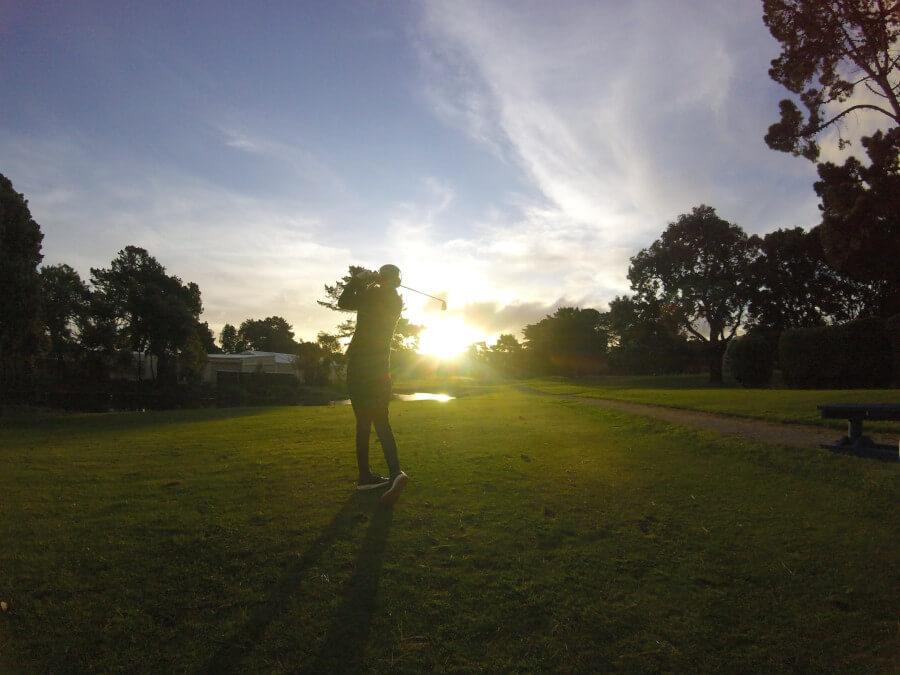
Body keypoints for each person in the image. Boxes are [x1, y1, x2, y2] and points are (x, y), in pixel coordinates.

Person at [338, 264, 409, 505]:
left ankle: (365, 478)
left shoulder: (372, 295)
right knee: (382, 421)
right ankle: (395, 471)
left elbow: (343, 301)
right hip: (380, 371)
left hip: (358, 368)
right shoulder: (395, 301)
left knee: (363, 424)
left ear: (382, 278)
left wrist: (359, 281)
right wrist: (370, 282)